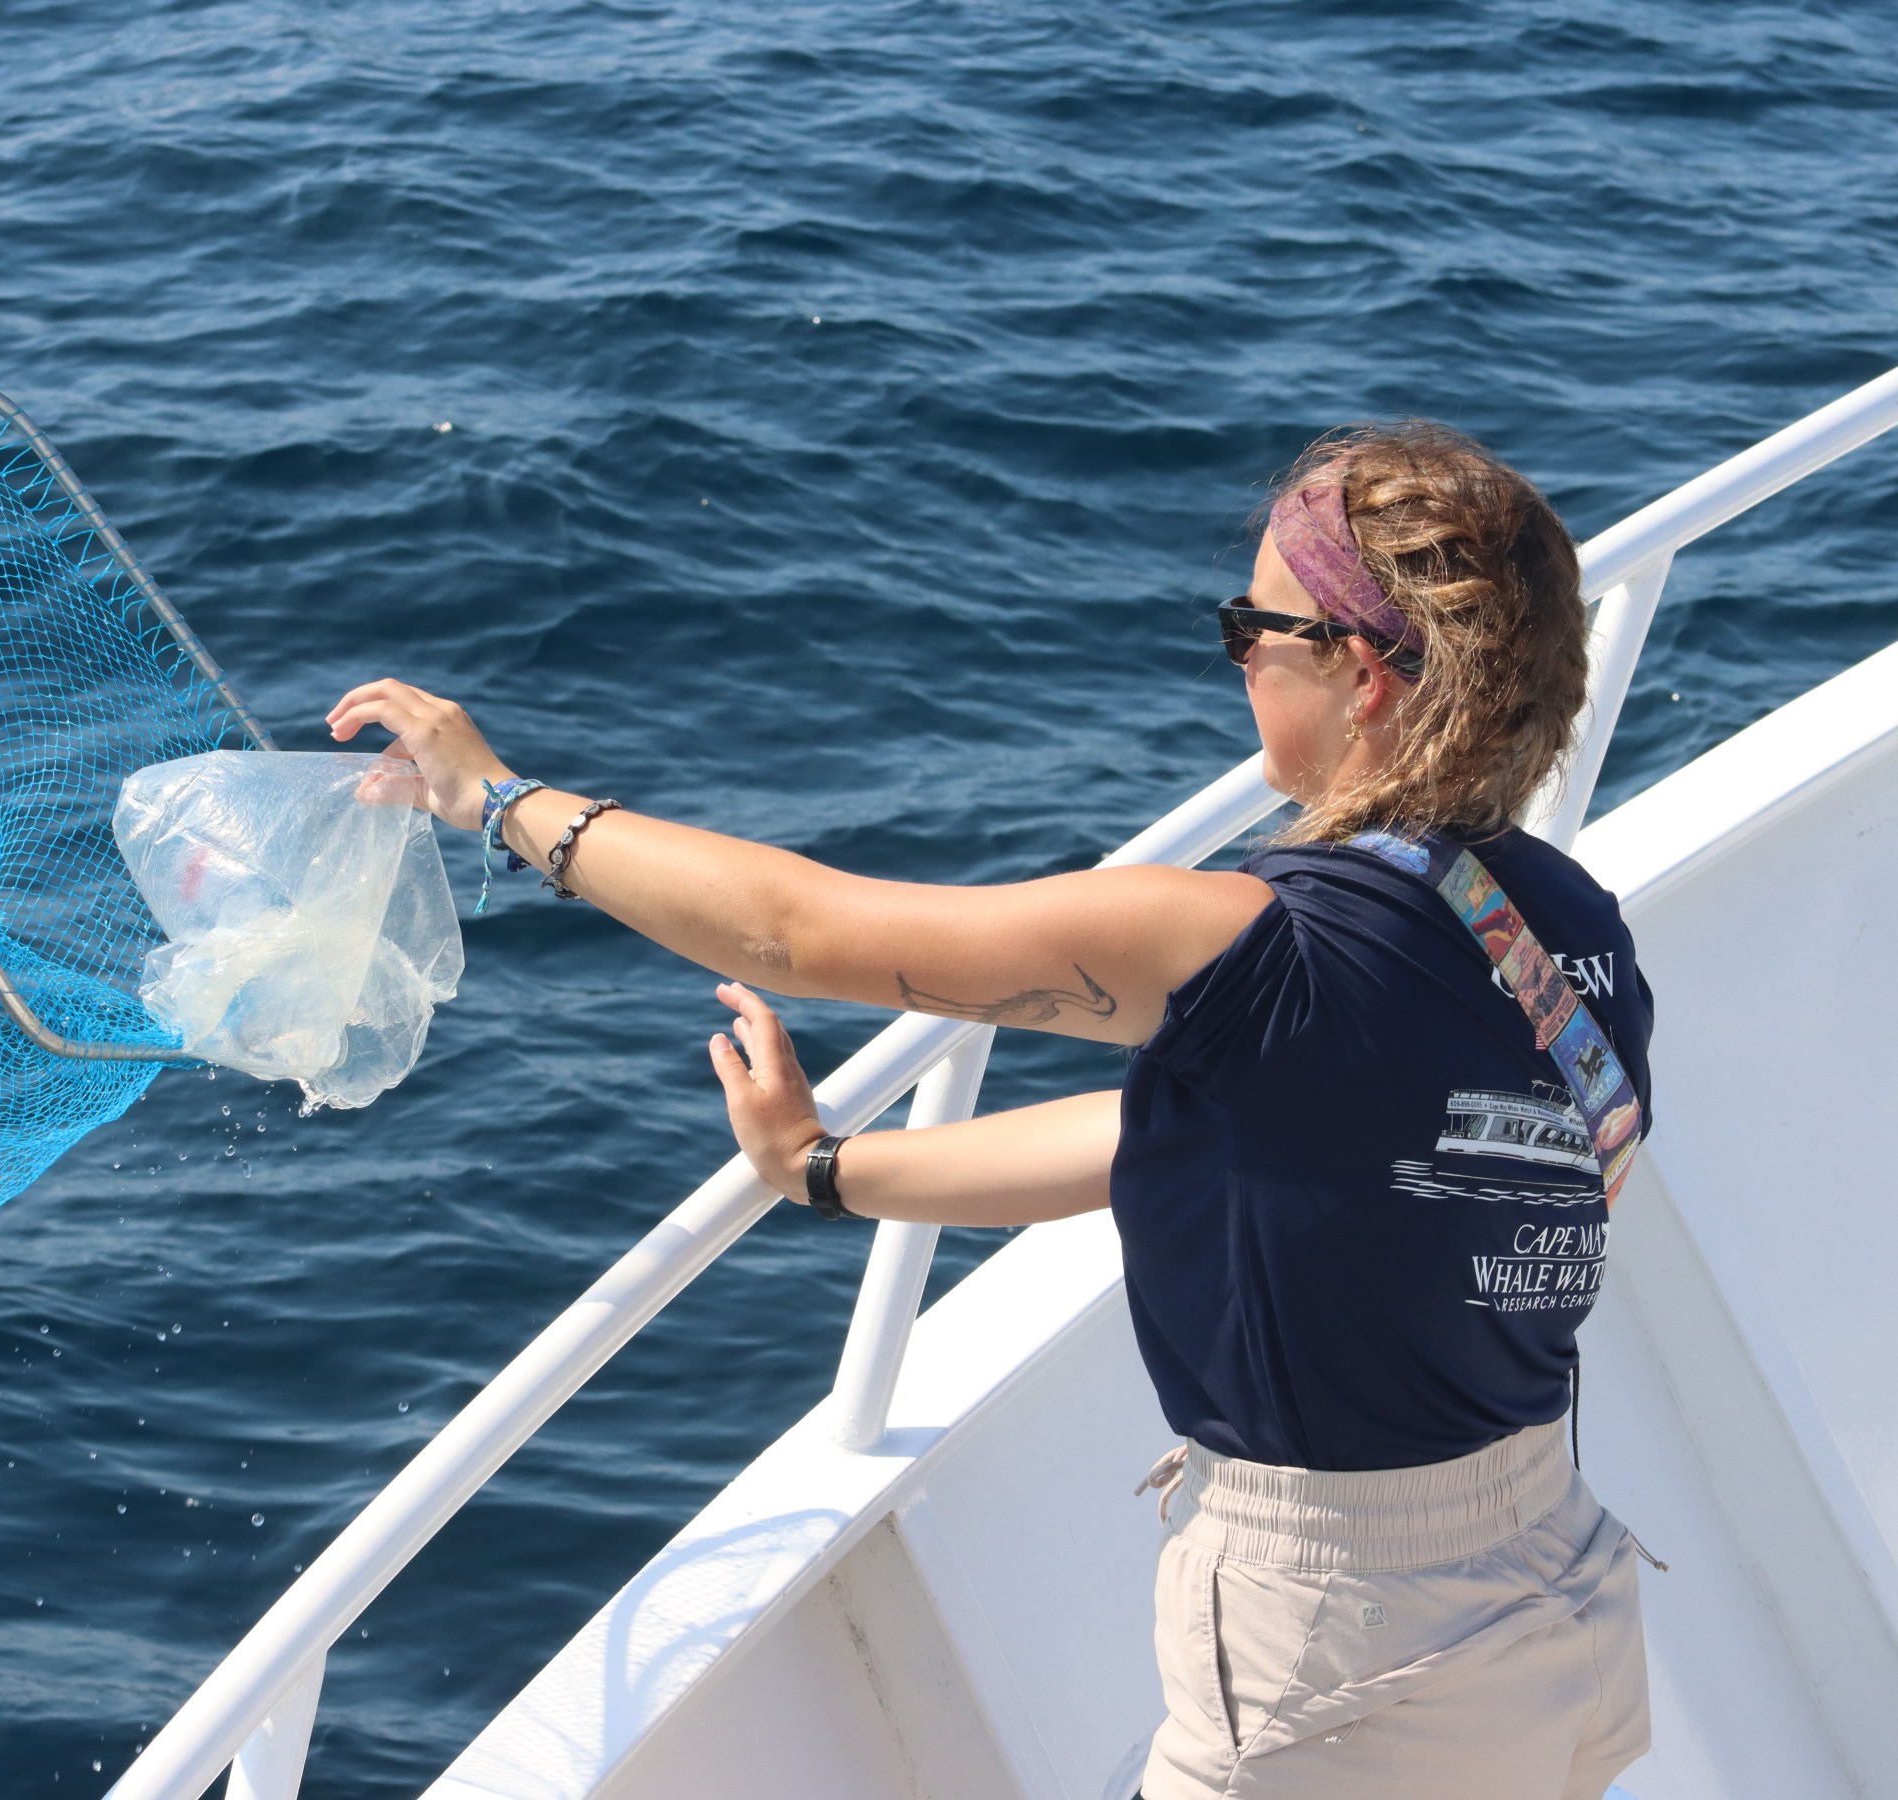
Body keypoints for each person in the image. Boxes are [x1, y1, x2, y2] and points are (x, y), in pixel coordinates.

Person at [327, 421, 1653, 1800]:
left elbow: (802, 934)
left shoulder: (1263, 949)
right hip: (1554, 1598)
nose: (1239, 655)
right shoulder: (1570, 935)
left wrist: (498, 799)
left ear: (1362, 673)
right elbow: (1209, 1150)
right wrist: (833, 1169)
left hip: (1345, 1654)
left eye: (1253, 625)